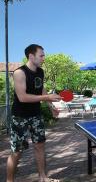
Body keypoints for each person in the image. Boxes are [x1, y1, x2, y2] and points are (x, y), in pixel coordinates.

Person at [6, 44, 62, 182]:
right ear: (31, 56)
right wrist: (47, 97)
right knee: (17, 151)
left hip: (36, 115)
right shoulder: (19, 73)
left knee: (40, 145)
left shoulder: (40, 72)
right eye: (41, 55)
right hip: (20, 117)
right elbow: (22, 97)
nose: (44, 58)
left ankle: (43, 178)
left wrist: (50, 106)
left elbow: (41, 89)